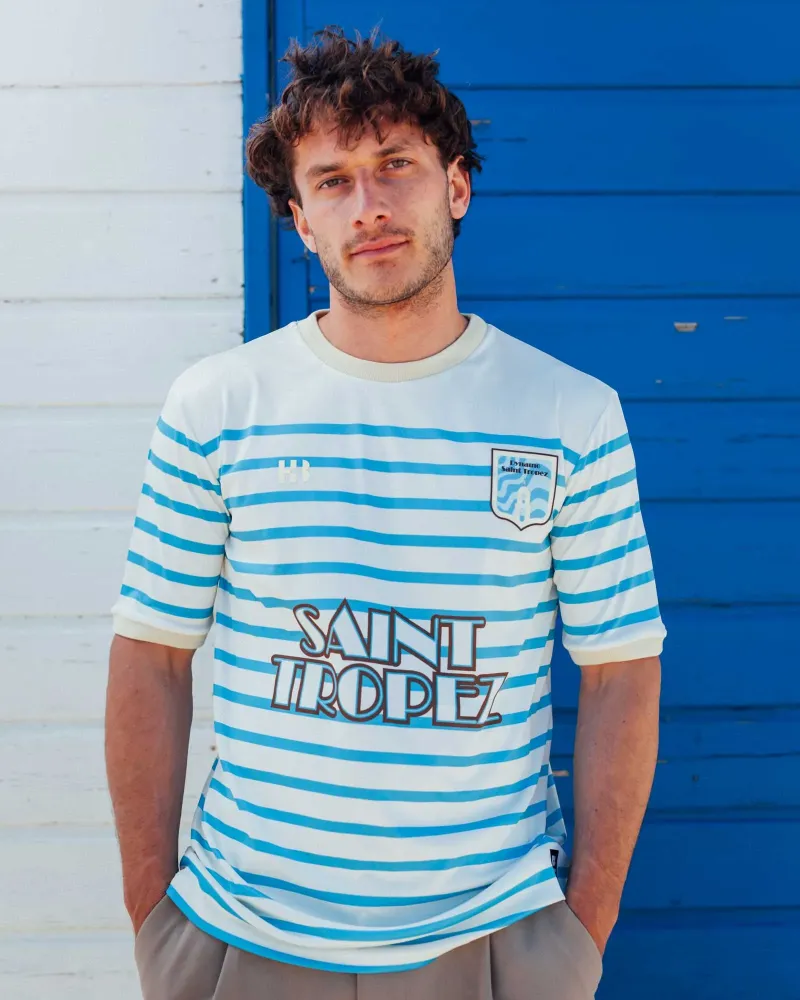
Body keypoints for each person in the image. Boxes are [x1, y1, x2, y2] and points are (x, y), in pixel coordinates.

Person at [105, 25, 666, 1000]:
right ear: (298, 219)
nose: (367, 205)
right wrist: (153, 915)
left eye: (395, 166)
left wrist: (581, 931)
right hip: (243, 932)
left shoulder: (569, 414)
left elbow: (620, 671)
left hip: (493, 937)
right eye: (331, 181)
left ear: (456, 186)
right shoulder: (218, 404)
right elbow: (151, 655)